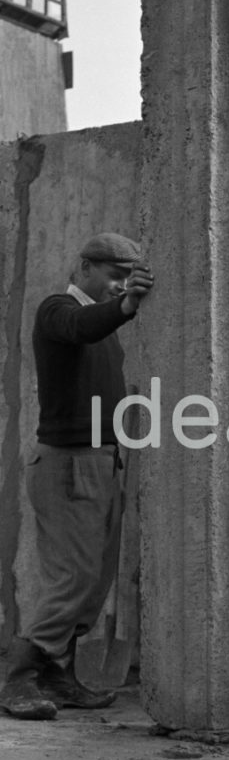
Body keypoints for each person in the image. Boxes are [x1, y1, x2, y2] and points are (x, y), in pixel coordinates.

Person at [0, 233, 154, 721]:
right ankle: (17, 679)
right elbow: (81, 325)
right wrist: (127, 305)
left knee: (95, 581)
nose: (119, 286)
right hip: (68, 464)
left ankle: (58, 676)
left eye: (127, 279)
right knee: (74, 578)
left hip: (100, 461)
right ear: (85, 267)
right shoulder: (57, 311)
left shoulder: (102, 325)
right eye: (113, 275)